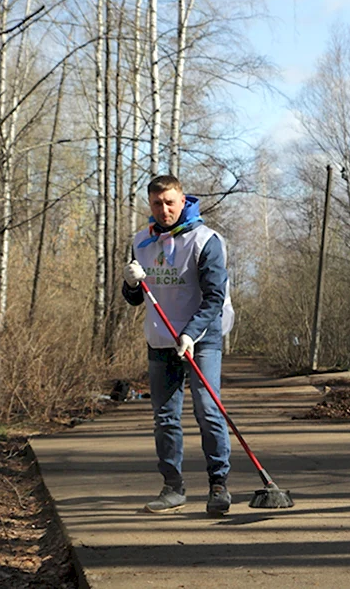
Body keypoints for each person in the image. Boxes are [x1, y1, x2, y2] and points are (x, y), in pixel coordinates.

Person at [122, 175, 235, 515]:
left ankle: (219, 484)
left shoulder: (206, 240)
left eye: (170, 202)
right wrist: (130, 284)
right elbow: (134, 299)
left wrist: (190, 333)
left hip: (202, 337)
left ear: (183, 200)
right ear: (150, 205)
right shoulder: (141, 242)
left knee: (207, 408)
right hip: (160, 338)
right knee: (165, 417)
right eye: (157, 204)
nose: (164, 210)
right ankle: (172, 487)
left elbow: (215, 298)